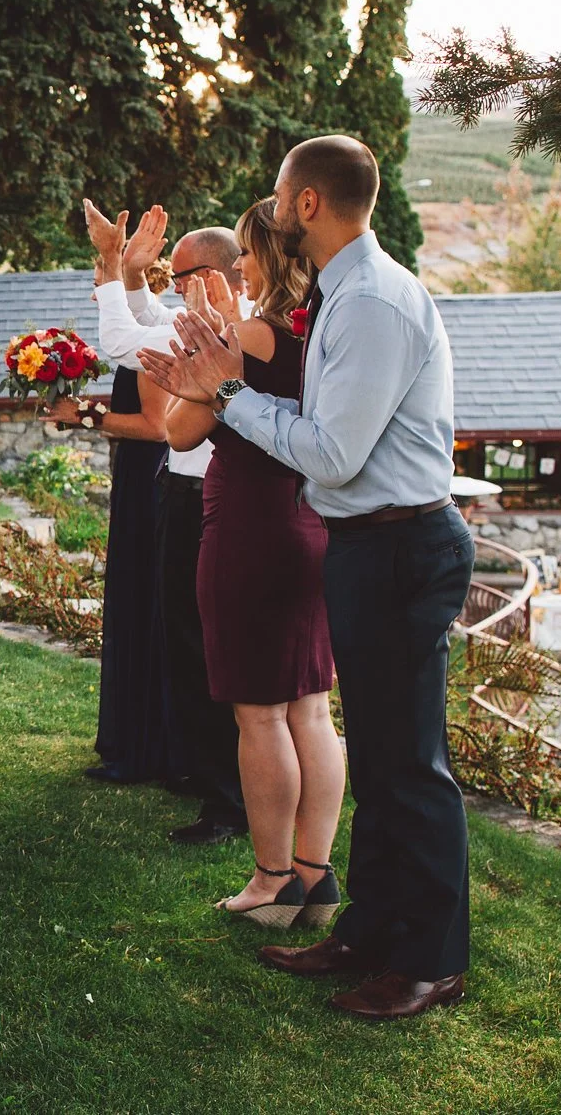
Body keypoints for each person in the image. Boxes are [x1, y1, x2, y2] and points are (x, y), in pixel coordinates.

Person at [142, 135, 475, 1021]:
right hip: (367, 544)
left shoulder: (369, 302)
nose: (273, 206)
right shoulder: (341, 293)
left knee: (411, 767)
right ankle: (370, 931)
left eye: (280, 194)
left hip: (403, 546)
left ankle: (433, 957)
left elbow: (330, 453)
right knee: (378, 756)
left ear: (308, 205)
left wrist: (228, 396)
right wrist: (220, 385)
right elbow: (318, 419)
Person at [160, 204, 343, 931]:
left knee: (260, 712)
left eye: (246, 253)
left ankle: (271, 881)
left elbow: (178, 431)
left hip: (247, 526)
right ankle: (315, 873)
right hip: (309, 520)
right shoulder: (321, 333)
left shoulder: (250, 335)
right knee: (311, 706)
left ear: (267, 256)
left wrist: (192, 375)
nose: (238, 265)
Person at [66, 204, 249, 843]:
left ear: (226, 277)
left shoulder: (225, 330)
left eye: (183, 274)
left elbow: (122, 341)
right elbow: (147, 319)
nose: (173, 287)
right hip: (183, 490)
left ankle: (227, 799)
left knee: (203, 646)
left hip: (207, 497)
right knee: (185, 641)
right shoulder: (197, 319)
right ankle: (203, 774)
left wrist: (114, 262)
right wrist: (129, 271)